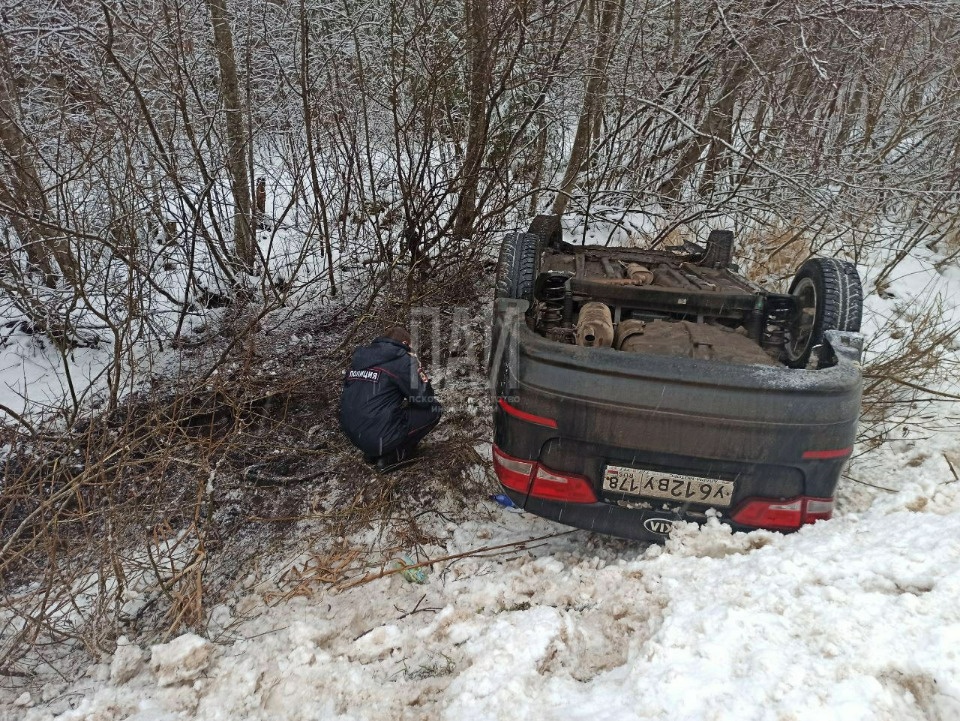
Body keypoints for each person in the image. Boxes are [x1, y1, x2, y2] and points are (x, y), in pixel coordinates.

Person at [339, 326, 442, 471]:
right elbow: (424, 399)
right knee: (434, 409)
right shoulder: (401, 359)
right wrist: (418, 370)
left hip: (354, 435)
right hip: (378, 436)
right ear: (405, 344)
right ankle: (395, 456)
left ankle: (374, 450)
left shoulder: (362, 358)